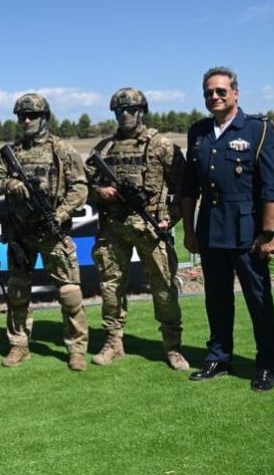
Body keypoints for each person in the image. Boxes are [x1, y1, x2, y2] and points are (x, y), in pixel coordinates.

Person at [180, 67, 274, 391]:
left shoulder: (258, 129)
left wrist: (269, 234)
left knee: (259, 299)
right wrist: (189, 230)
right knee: (217, 298)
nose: (214, 97)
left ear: (236, 93)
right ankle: (219, 356)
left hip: (248, 231)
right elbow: (190, 187)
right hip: (211, 228)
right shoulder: (198, 132)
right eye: (209, 92)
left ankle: (267, 363)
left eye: (221, 91)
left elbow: (271, 187)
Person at [0, 93, 89, 372]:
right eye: (22, 116)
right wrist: (11, 184)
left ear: (45, 117)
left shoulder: (63, 150)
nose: (27, 120)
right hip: (20, 233)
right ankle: (19, 345)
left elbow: (80, 188)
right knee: (18, 291)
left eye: (33, 115)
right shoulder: (11, 153)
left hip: (53, 231)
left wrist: (60, 214)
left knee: (69, 292)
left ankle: (77, 349)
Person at [86, 88, 189, 371]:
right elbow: (82, 186)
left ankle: (173, 346)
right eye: (120, 111)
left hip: (151, 230)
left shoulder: (161, 145)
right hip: (114, 229)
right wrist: (100, 192)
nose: (125, 115)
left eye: (131, 110)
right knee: (111, 288)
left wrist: (171, 219)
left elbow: (185, 188)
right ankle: (113, 342)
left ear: (142, 111)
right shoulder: (104, 149)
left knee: (164, 289)